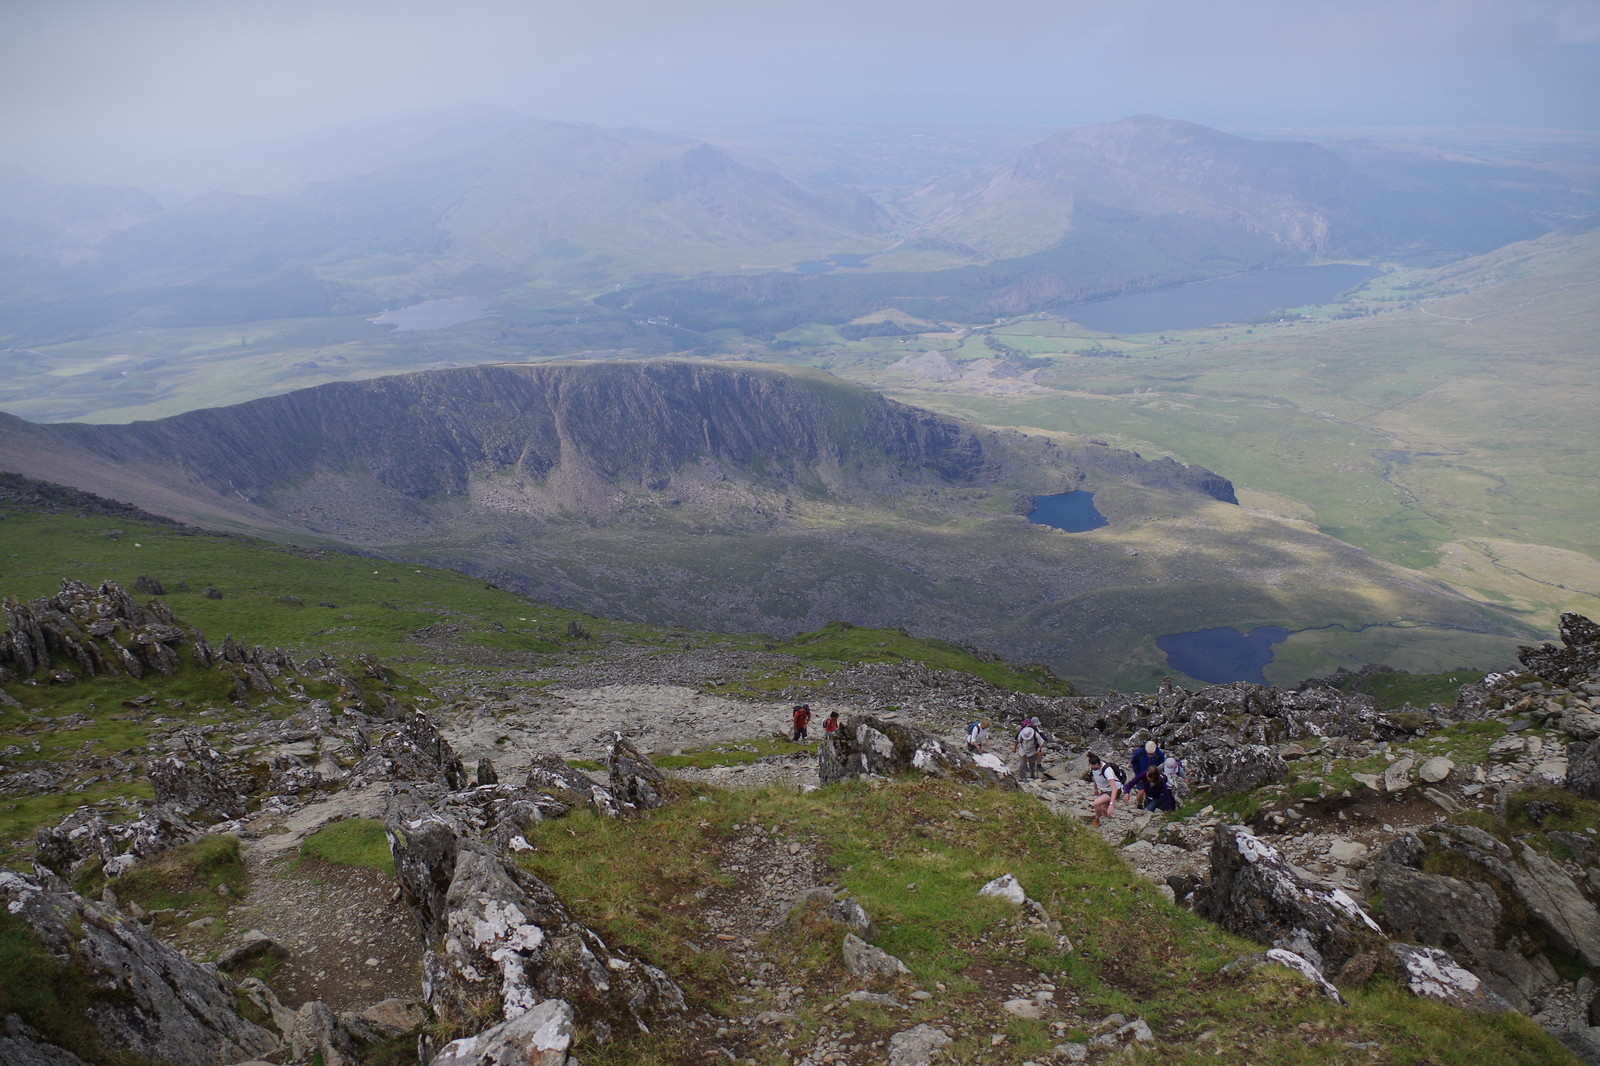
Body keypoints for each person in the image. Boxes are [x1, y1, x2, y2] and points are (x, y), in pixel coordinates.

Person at [1086, 752, 1124, 827]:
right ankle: (1109, 823)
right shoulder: (1093, 769)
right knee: (1105, 811)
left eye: (1096, 768)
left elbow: (1114, 788)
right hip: (1104, 790)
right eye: (1093, 768)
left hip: (1113, 790)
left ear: (1099, 764)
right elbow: (1095, 778)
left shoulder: (1107, 770)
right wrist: (1095, 788)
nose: (1095, 769)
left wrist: (1111, 804)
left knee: (1096, 803)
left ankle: (1096, 819)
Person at [1129, 740, 1165, 808]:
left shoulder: (1159, 754)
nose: (1150, 756)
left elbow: (1162, 765)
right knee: (1141, 792)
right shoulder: (1139, 752)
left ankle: (1146, 804)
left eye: (1152, 754)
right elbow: (1134, 762)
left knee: (1148, 792)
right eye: (1148, 754)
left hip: (1153, 776)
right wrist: (1138, 775)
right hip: (1141, 774)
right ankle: (1139, 805)